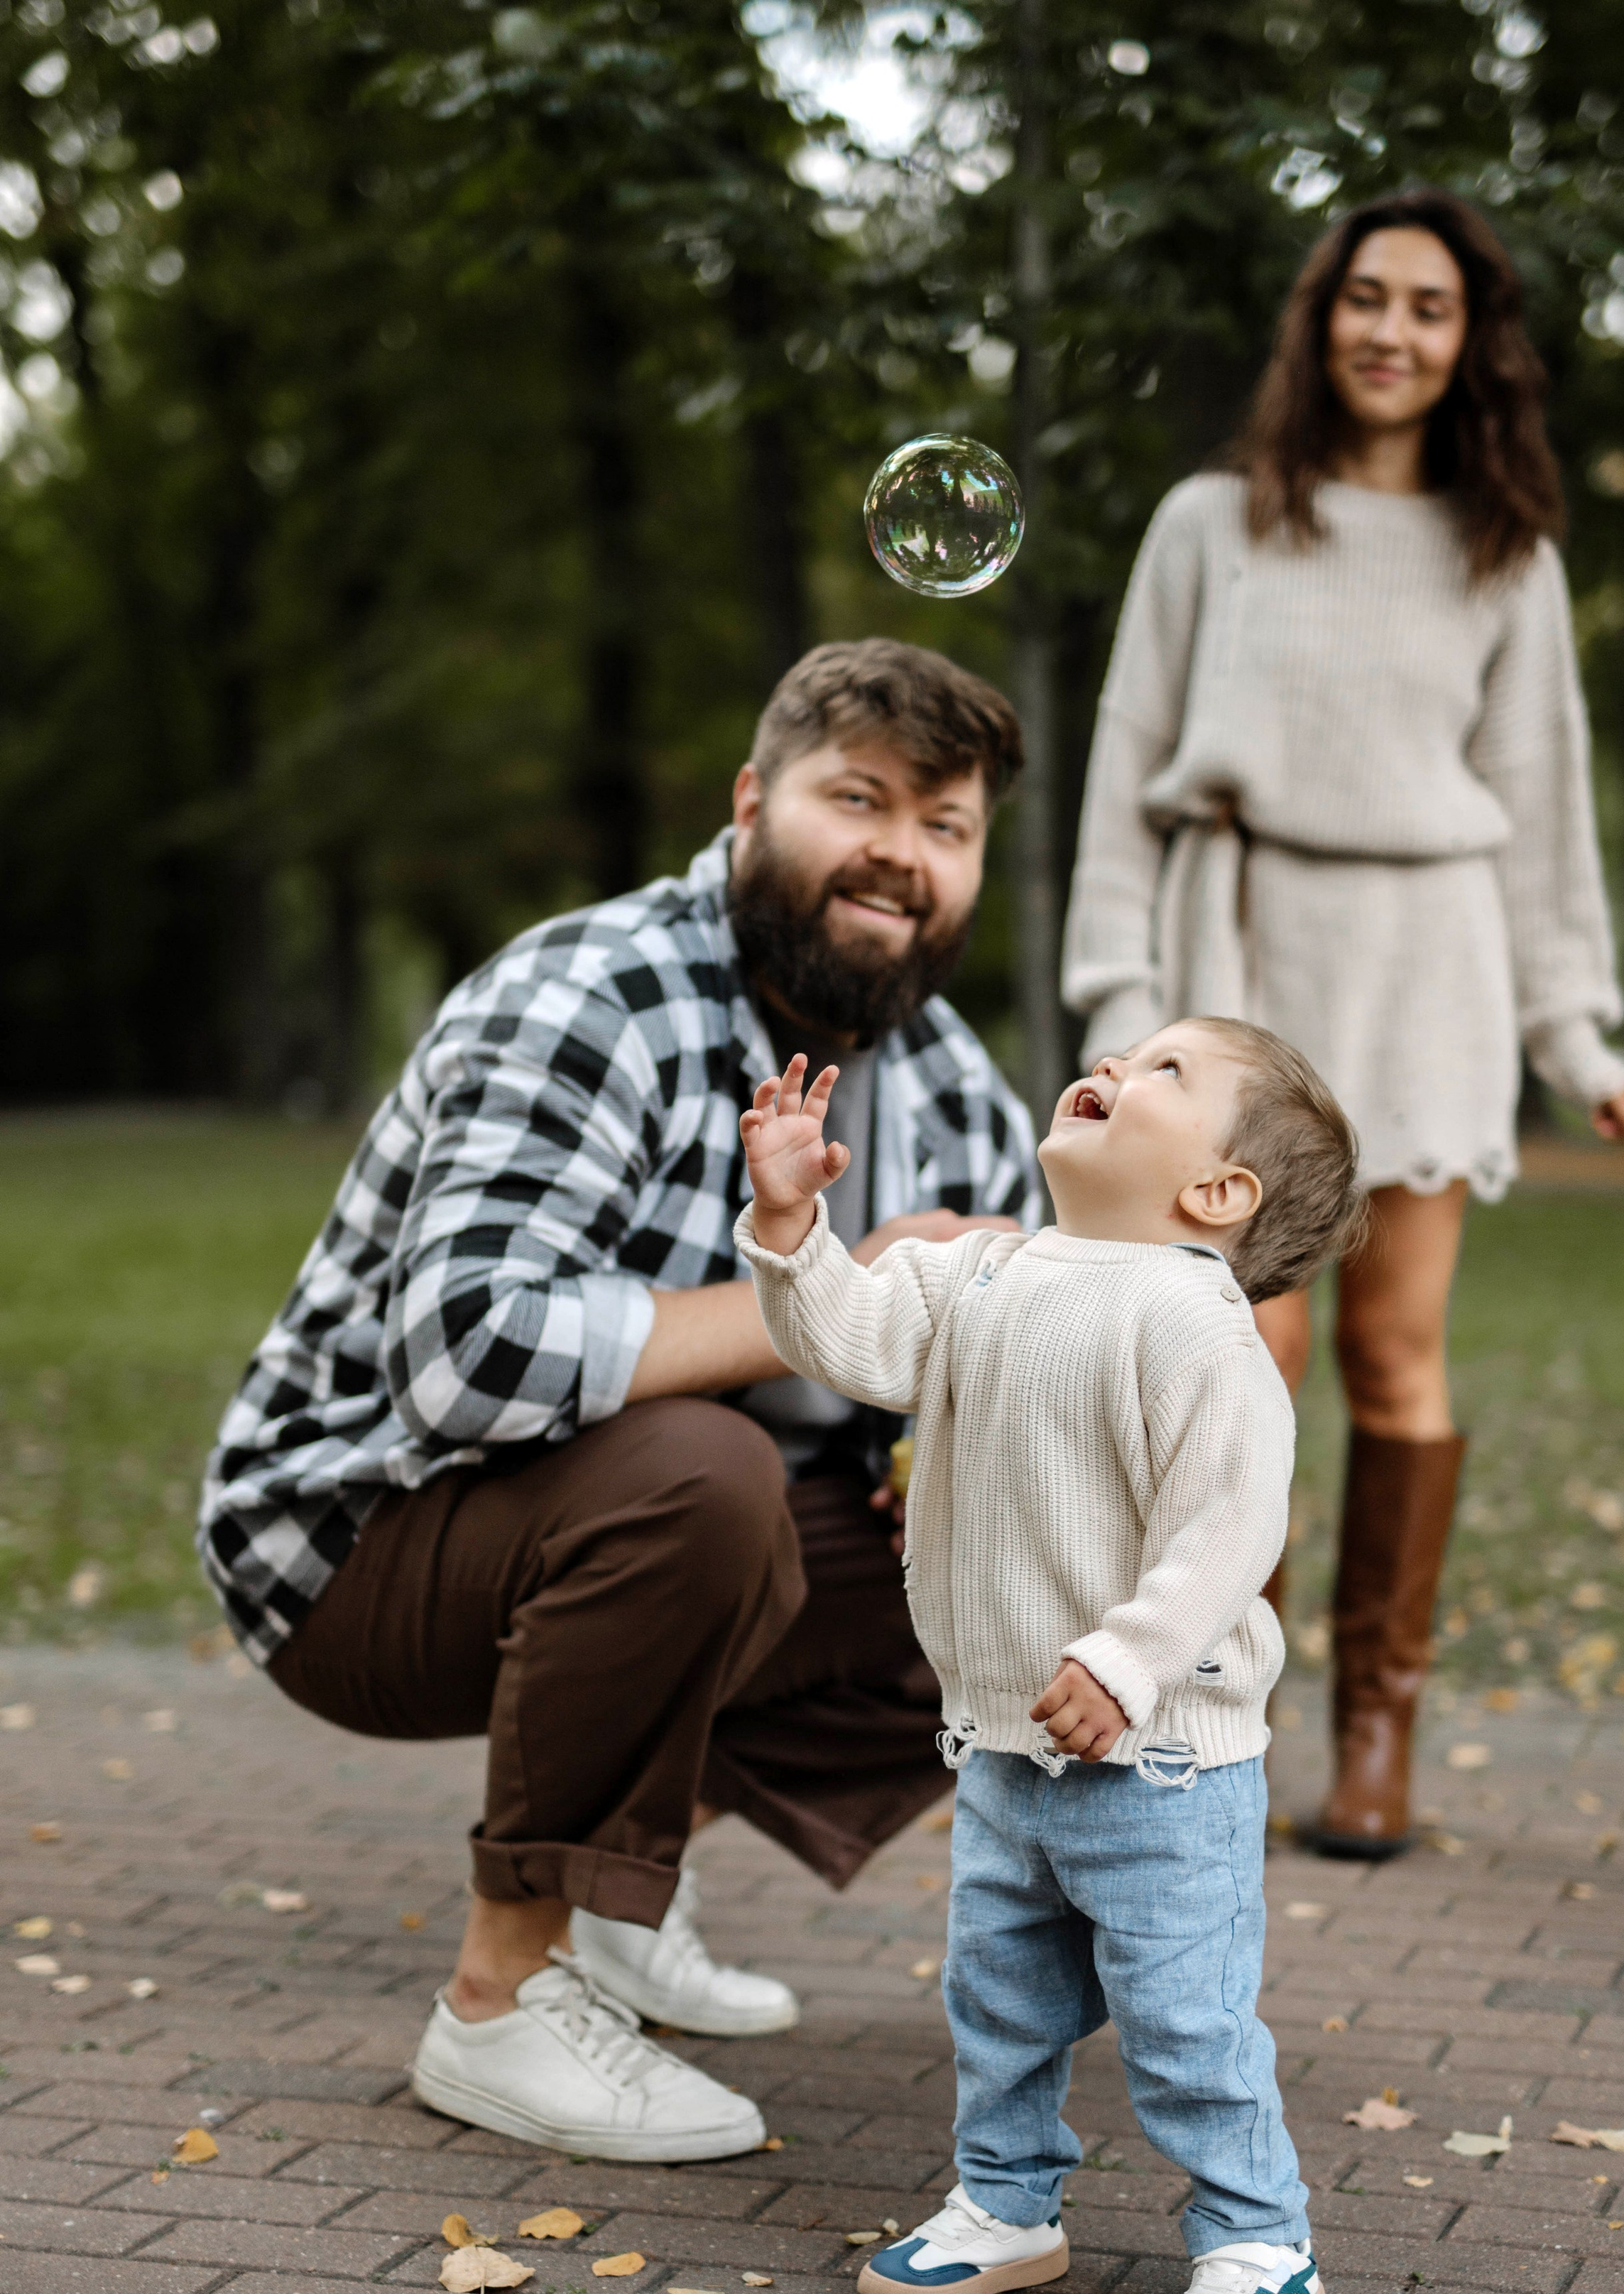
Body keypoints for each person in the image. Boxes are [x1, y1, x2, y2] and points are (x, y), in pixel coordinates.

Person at [197, 640, 1037, 2161]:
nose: (900, 855)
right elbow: (462, 1354)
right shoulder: (595, 994)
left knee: (1025, 1560)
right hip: (354, 1539)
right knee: (702, 1475)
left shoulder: (953, 1085)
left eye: (945, 825)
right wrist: (829, 1293)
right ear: (749, 804)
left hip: (646, 1519)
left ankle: (609, 1894)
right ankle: (500, 2001)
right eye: (857, 799)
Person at [1060, 187, 1624, 1861]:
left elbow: (1540, 813)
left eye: (1427, 306)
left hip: (1425, 971)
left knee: (1392, 1355)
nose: (1388, 330)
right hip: (1237, 963)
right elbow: (1122, 768)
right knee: (1237, 1355)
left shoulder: (1504, 553)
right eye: (1363, 297)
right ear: (1318, 316)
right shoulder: (1208, 524)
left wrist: (1578, 1039)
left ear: (1470, 343)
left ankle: (1376, 1733)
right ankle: (1217, 1712)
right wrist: (1122, 1009)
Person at [736, 1017, 1363, 2294]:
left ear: (1218, 1192)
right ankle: (1007, 2205)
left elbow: (1229, 1528)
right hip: (1009, 1749)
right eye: (1125, 1051)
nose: (1117, 1066)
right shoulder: (985, 1270)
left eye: (1167, 1072)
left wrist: (1129, 1662)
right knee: (1000, 2000)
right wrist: (792, 1226)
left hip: (1165, 1762)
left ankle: (1260, 2242)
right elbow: (850, 1340)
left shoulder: (1197, 1325)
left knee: (1186, 2019)